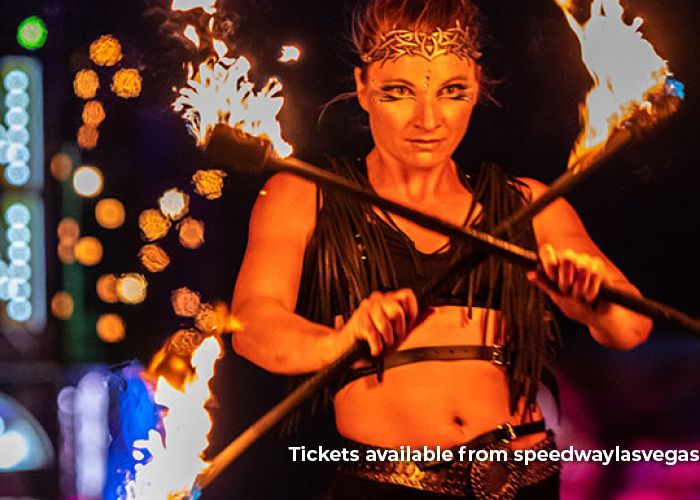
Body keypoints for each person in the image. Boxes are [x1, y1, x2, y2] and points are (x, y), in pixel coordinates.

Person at [228, 0, 653, 498]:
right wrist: (338, 342)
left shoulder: (527, 203)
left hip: (527, 483)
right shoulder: (303, 194)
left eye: (451, 91)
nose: (428, 118)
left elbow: (632, 325)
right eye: (399, 92)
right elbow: (252, 325)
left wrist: (595, 305)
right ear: (363, 88)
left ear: (476, 85)